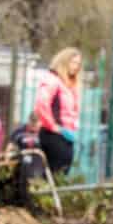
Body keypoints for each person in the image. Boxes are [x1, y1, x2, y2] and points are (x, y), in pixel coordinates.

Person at [34, 47, 82, 175]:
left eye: (78, 63)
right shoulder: (53, 80)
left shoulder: (69, 85)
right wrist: (53, 126)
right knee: (56, 173)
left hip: (65, 135)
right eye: (73, 62)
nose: (76, 67)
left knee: (62, 172)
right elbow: (41, 104)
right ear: (64, 62)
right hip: (54, 135)